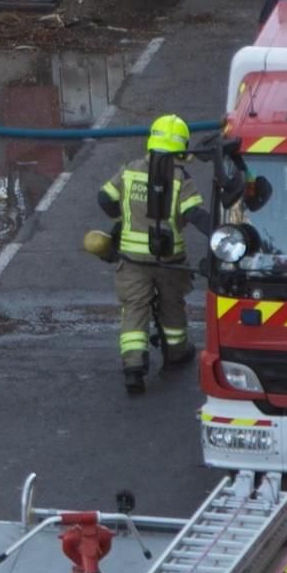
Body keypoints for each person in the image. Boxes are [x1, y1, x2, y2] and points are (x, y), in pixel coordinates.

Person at [98, 113, 212, 394]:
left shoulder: (129, 170)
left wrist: (122, 216)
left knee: (134, 309)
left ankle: (134, 368)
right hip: (170, 261)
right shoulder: (180, 179)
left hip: (132, 261)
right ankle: (176, 354)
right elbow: (194, 214)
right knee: (173, 306)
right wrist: (222, 235)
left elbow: (105, 198)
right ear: (182, 149)